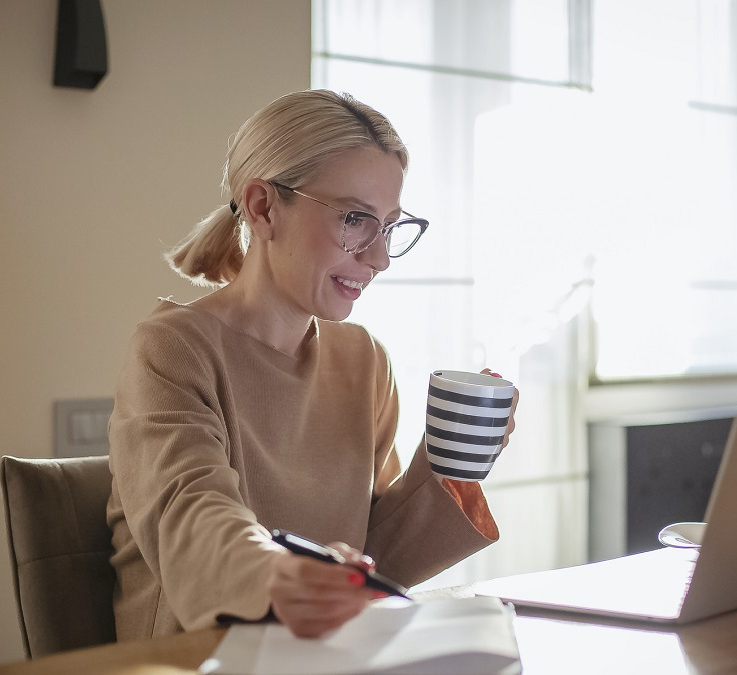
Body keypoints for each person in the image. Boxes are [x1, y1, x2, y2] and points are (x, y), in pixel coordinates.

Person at [106, 89, 517, 641]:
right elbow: (191, 511)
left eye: (390, 225)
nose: (379, 258)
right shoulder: (172, 349)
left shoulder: (362, 359)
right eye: (355, 220)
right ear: (263, 207)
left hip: (318, 654)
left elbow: (373, 561)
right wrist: (277, 574)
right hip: (199, 655)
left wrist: (451, 465)